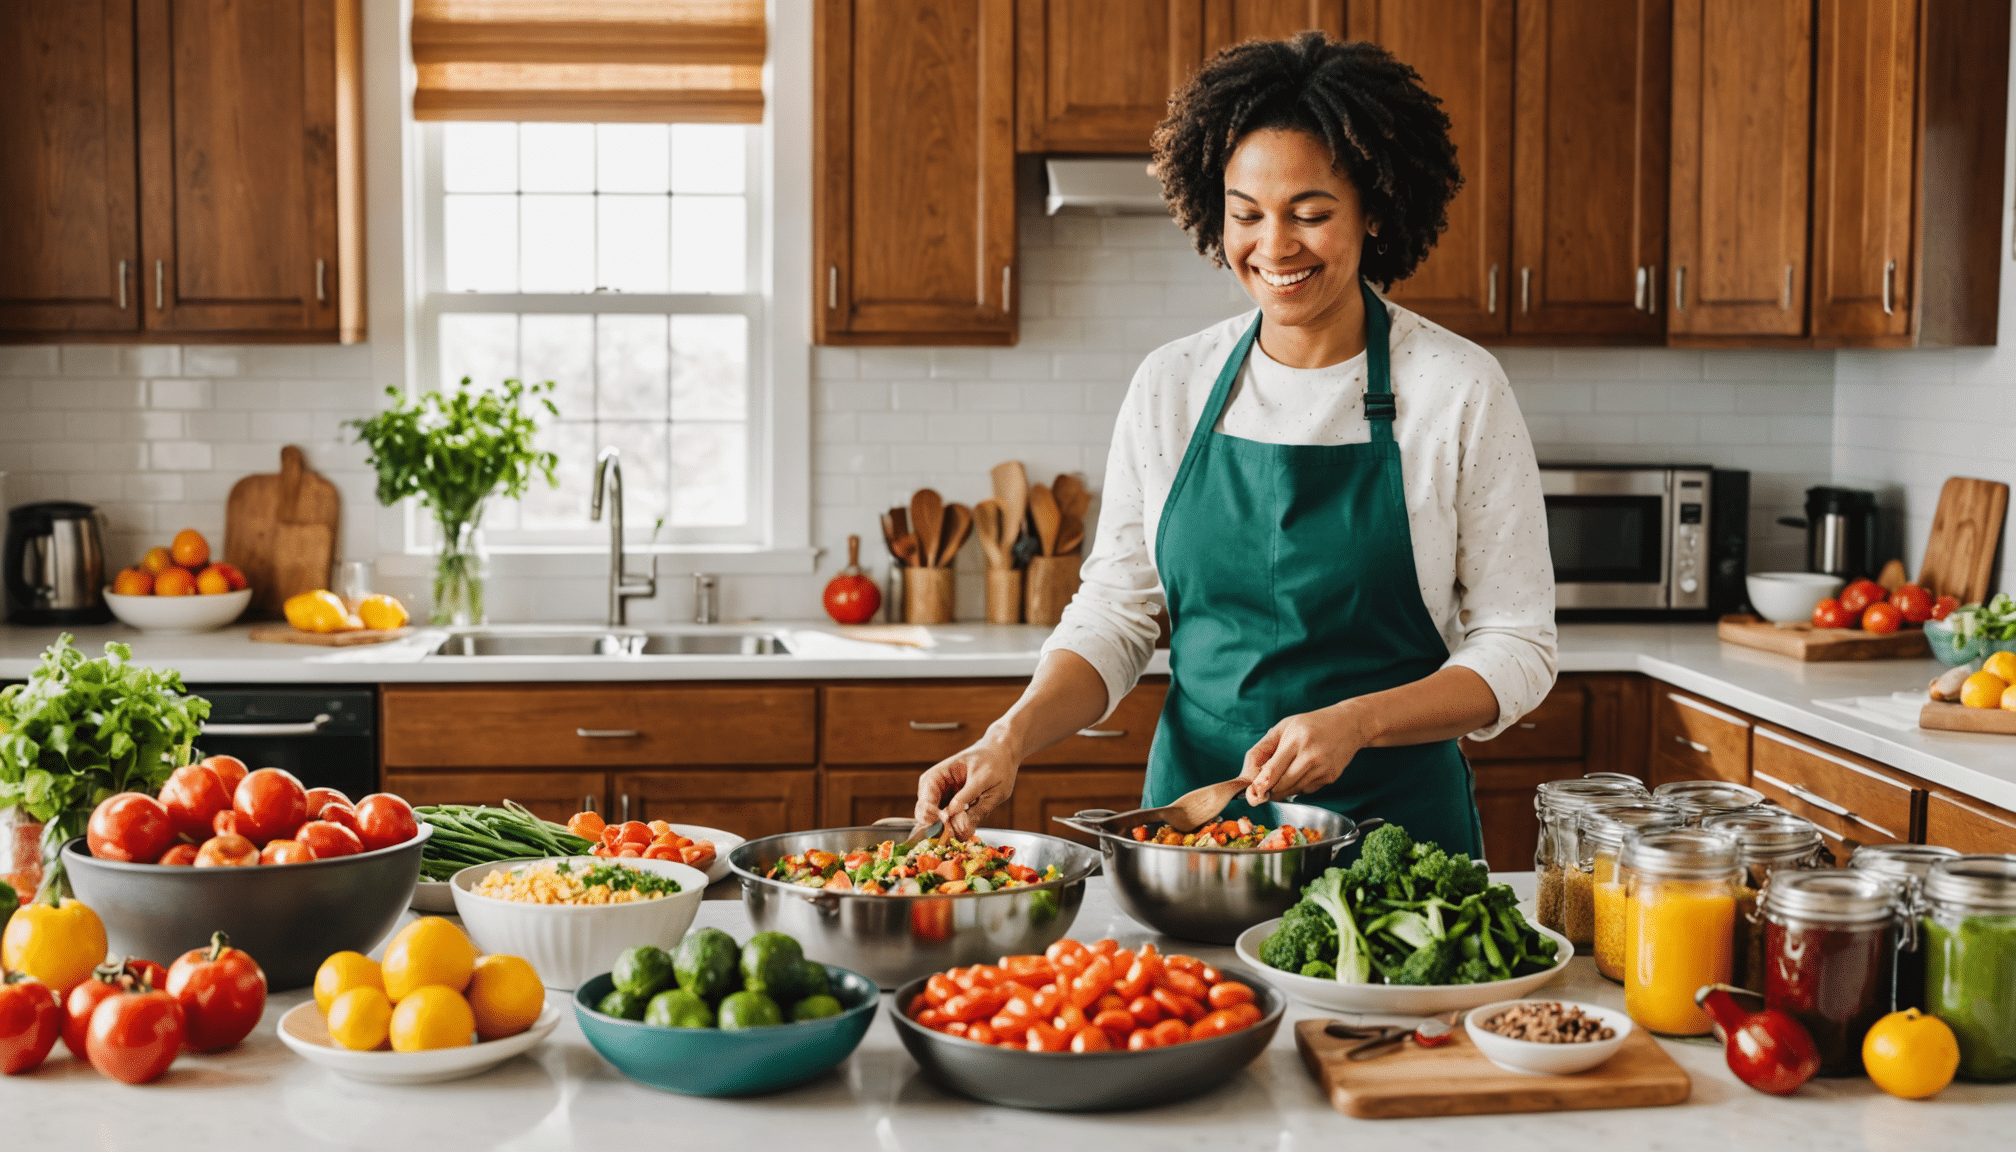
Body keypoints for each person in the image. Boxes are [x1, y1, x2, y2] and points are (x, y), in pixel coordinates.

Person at [913, 32, 1556, 856]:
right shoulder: (1171, 384)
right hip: (1196, 836)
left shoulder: (1457, 388)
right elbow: (1115, 613)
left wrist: (1359, 722)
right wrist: (1008, 737)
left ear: (1375, 211)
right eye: (1246, 214)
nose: (1274, 246)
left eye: (1310, 214)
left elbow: (1519, 645)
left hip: (1398, 843)